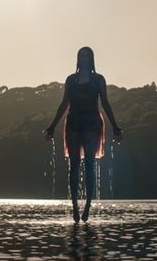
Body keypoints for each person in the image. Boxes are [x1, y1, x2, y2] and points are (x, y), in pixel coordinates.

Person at [44, 47, 123, 223]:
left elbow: (106, 104)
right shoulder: (71, 80)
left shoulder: (98, 80)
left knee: (89, 165)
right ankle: (74, 207)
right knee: (74, 166)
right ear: (78, 59)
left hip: (92, 125)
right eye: (82, 56)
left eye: (87, 56)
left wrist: (115, 126)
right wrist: (52, 126)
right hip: (73, 124)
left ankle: (87, 206)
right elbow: (64, 104)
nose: (84, 59)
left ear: (92, 59)